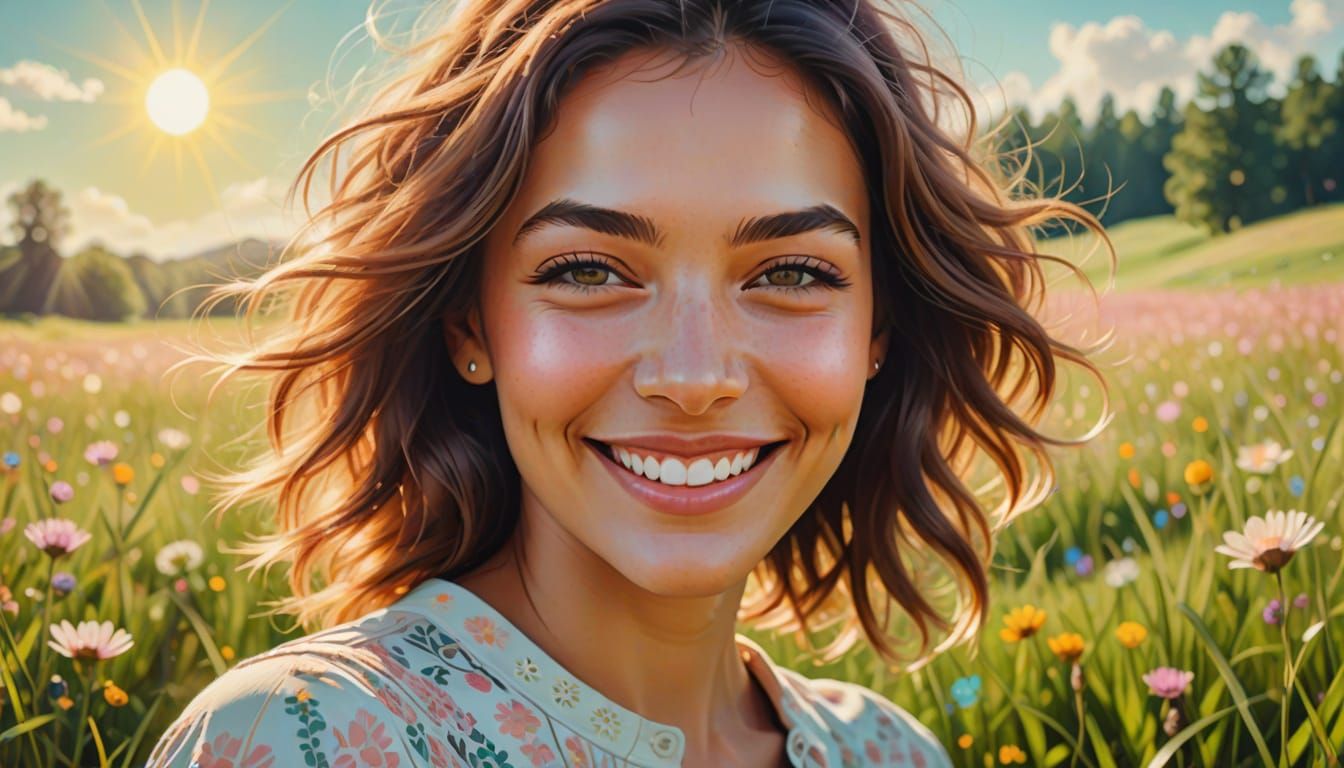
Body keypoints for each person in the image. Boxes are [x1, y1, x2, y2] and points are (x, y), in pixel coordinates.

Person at [147, 0, 1112, 765]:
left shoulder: (894, 754)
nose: (693, 376)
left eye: (791, 273)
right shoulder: (298, 742)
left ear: (877, 333)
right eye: (588, 272)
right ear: (469, 324)